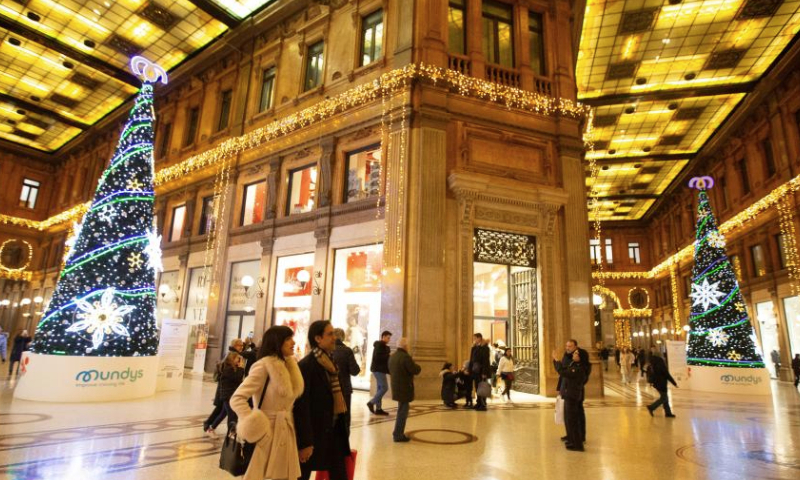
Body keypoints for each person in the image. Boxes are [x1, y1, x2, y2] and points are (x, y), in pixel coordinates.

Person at [230, 325, 304, 480]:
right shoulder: (263, 366)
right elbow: (237, 399)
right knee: (259, 474)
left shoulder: (290, 365)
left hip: (286, 429)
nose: (293, 342)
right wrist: (255, 424)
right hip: (266, 432)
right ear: (277, 342)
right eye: (288, 339)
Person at [294, 320, 351, 480]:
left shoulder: (331, 363)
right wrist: (305, 443)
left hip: (333, 432)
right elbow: (301, 406)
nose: (334, 337)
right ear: (318, 338)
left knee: (340, 474)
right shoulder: (307, 366)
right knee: (302, 475)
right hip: (314, 434)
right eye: (330, 334)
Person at [204, 342, 245, 436]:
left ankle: (211, 428)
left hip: (229, 394)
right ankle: (232, 431)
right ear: (232, 359)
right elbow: (237, 378)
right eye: (237, 359)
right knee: (231, 414)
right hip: (227, 395)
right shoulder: (228, 369)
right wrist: (241, 368)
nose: (239, 361)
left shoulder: (232, 368)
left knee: (223, 413)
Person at [553, 341, 587, 452]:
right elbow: (563, 375)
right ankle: (572, 440)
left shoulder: (578, 368)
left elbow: (563, 372)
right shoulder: (573, 364)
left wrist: (556, 360)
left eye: (576, 354)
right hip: (568, 393)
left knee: (573, 420)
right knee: (569, 419)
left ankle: (578, 444)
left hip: (572, 395)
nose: (573, 354)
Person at [388, 337, 421, 442]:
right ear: (405, 346)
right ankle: (398, 435)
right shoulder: (405, 357)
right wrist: (418, 366)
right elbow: (415, 370)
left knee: (401, 410)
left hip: (396, 386)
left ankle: (396, 432)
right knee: (403, 412)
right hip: (404, 387)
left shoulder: (392, 356)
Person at [331, 327, 360, 434]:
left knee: (332, 416)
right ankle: (344, 445)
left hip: (330, 388)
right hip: (345, 389)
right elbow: (355, 371)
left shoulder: (328, 350)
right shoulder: (347, 351)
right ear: (342, 337)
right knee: (345, 417)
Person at [646, 350, 678, 418]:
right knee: (664, 398)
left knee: (665, 398)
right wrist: (674, 383)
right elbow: (666, 374)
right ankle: (651, 407)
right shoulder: (660, 363)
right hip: (662, 384)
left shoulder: (652, 363)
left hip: (656, 383)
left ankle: (668, 413)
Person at [367, 330, 392, 416]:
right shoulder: (379, 345)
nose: (389, 340)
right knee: (384, 388)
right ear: (383, 337)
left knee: (379, 389)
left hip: (380, 370)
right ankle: (371, 402)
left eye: (389, 338)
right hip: (378, 370)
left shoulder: (383, 346)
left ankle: (378, 409)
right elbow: (378, 358)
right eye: (388, 338)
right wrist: (389, 355)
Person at [468, 333, 491, 411]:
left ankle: (483, 404)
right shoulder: (475, 347)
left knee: (482, 387)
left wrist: (484, 373)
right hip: (475, 371)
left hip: (481, 371)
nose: (474, 340)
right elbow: (472, 359)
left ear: (480, 338)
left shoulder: (485, 348)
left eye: (475, 338)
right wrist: (470, 370)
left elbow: (485, 361)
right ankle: (478, 403)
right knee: (477, 387)